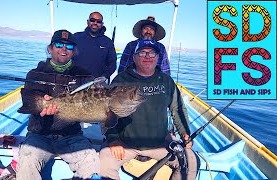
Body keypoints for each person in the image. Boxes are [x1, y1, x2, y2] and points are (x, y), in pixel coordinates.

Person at [99, 40, 197, 179]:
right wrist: (113, 139)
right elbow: (105, 113)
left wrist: (185, 134)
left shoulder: (166, 81)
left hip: (161, 142)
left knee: (190, 161)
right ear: (134, 57)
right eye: (142, 52)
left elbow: (177, 108)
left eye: (152, 53)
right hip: (126, 143)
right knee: (103, 164)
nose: (147, 56)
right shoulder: (121, 80)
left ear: (158, 57)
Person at [17, 29, 100, 180]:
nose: (64, 49)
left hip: (72, 135)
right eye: (59, 44)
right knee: (26, 161)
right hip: (39, 135)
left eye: (69, 47)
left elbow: (95, 96)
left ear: (73, 52)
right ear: (50, 48)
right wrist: (41, 107)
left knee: (92, 162)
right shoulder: (35, 74)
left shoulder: (84, 75)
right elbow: (30, 103)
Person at [73, 12, 117, 82]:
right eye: (92, 20)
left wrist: (105, 76)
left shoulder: (108, 42)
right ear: (88, 22)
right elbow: (67, 57)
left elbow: (112, 63)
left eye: (99, 21)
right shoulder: (76, 37)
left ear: (102, 24)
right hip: (75, 81)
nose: (95, 23)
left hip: (97, 84)